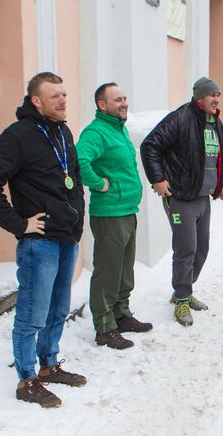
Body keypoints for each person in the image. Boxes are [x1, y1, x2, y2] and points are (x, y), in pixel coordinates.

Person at [0, 72, 86, 408]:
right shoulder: (18, 136)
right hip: (39, 243)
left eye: (64, 94)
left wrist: (77, 222)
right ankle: (27, 380)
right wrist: (18, 224)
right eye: (55, 97)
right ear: (36, 101)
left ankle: (49, 365)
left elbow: (74, 179)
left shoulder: (62, 131)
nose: (63, 101)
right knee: (32, 314)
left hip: (66, 238)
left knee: (57, 309)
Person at [140, 77, 223, 326]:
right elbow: (150, 145)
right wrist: (158, 178)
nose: (216, 99)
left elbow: (219, 154)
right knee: (186, 249)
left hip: (203, 197)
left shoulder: (215, 122)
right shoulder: (180, 118)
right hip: (180, 196)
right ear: (199, 98)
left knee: (202, 249)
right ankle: (181, 299)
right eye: (212, 95)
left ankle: (185, 290)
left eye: (218, 95)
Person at [76, 83, 151, 350]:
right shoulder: (96, 133)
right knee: (108, 273)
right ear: (102, 105)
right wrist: (99, 184)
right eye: (117, 99)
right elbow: (79, 161)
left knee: (124, 272)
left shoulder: (118, 129)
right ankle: (105, 328)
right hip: (109, 213)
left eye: (125, 98)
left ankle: (121, 315)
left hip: (127, 210)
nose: (124, 103)